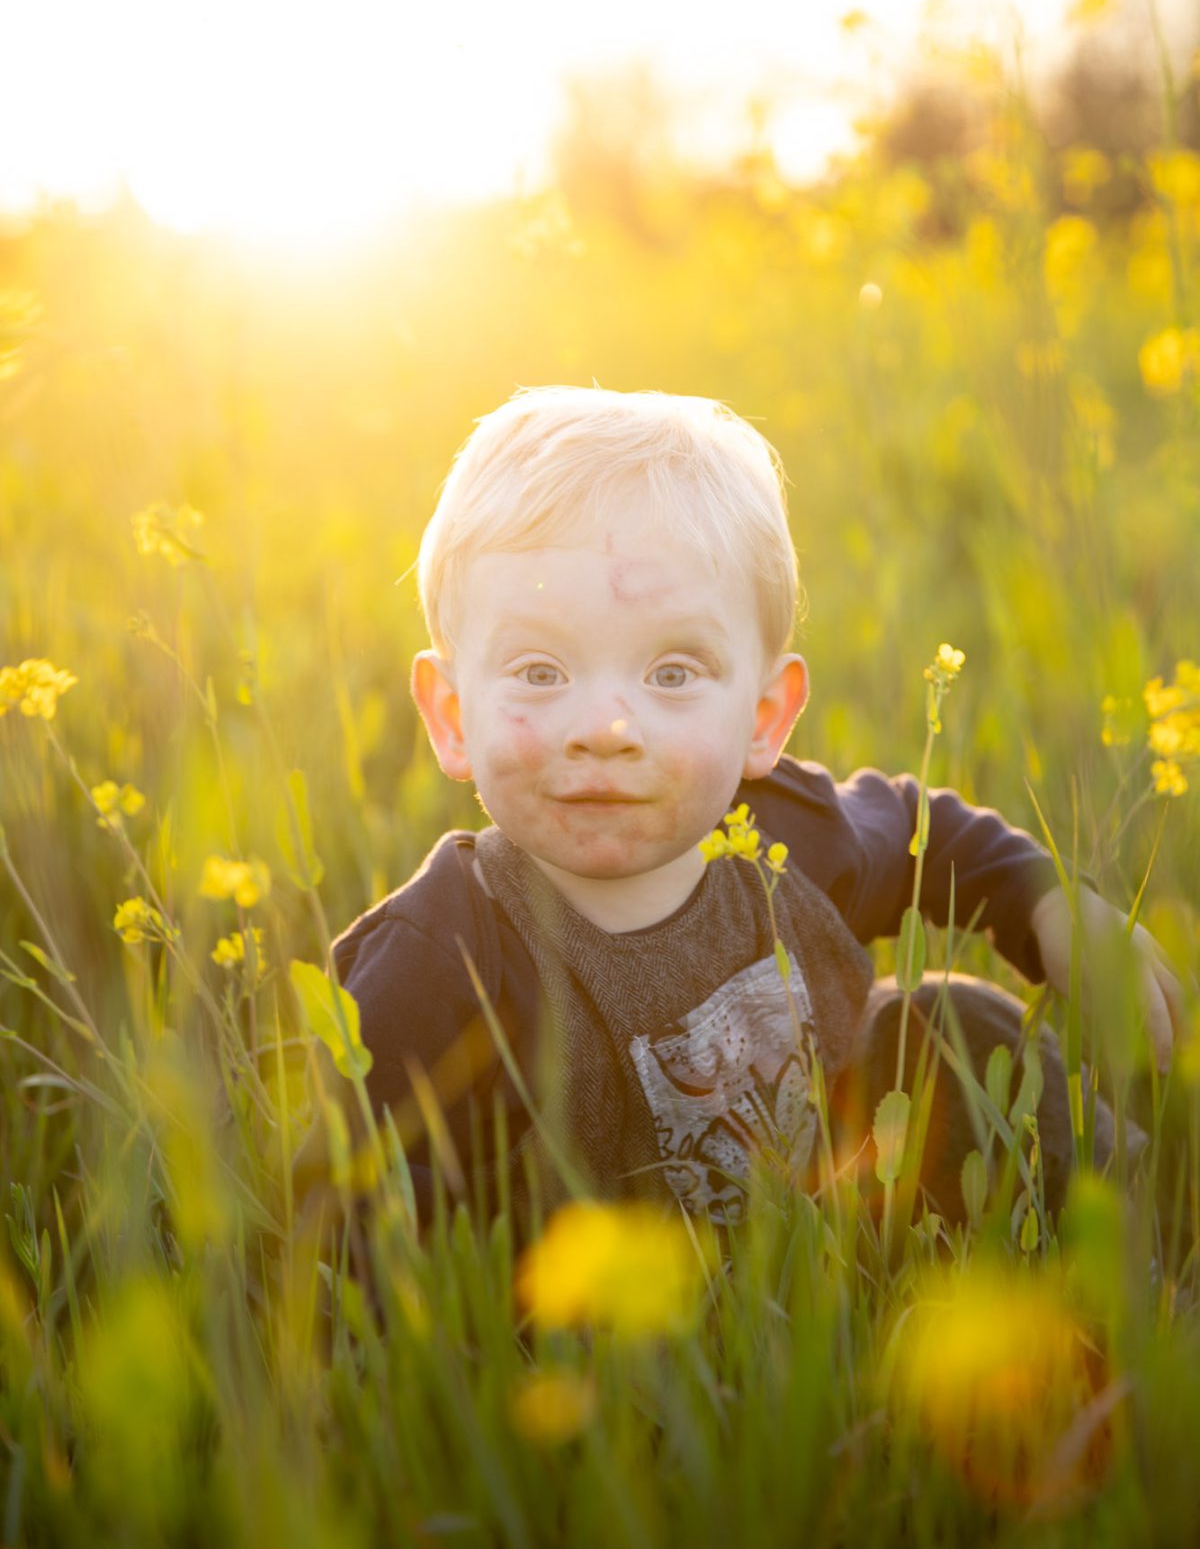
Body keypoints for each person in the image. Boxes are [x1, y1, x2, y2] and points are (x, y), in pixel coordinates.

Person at [310, 387, 1181, 1228]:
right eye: (541, 671)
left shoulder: (781, 838)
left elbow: (929, 835)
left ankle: (1142, 1246)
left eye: (673, 673)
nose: (607, 728)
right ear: (453, 715)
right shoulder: (441, 955)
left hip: (844, 1218)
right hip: (609, 1344)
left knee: (953, 1020)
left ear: (763, 717)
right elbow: (345, 1207)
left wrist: (1049, 902)